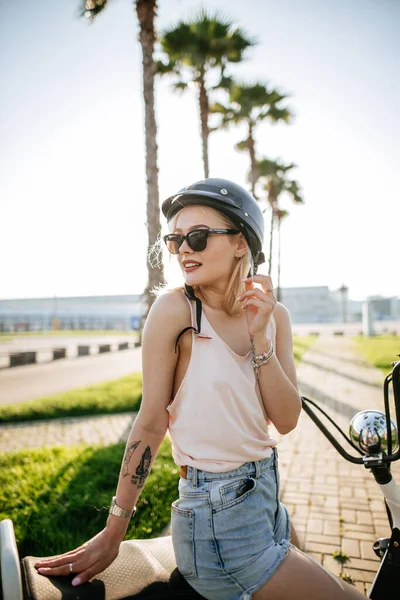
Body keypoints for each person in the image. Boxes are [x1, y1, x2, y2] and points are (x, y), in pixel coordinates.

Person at [35, 179, 366, 599]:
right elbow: (151, 422)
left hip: (266, 496)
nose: (184, 250)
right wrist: (114, 530)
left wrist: (260, 338)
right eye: (175, 241)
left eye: (197, 236)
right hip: (218, 523)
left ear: (241, 244)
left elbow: (285, 419)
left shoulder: (274, 315)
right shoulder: (176, 311)